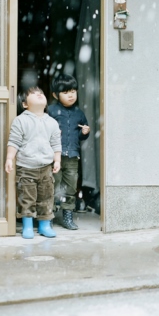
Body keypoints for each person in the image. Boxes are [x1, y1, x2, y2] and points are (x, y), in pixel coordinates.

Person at [5, 86, 61, 239]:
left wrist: (57, 160)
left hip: (46, 167)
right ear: (24, 104)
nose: (39, 94)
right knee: (27, 198)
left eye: (41, 93)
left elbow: (56, 143)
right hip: (26, 167)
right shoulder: (20, 120)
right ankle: (27, 226)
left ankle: (44, 225)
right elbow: (14, 141)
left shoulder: (52, 122)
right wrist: (10, 158)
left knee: (46, 197)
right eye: (33, 94)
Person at [48, 74, 90, 230]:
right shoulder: (51, 111)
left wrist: (84, 133)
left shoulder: (79, 113)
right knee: (51, 185)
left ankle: (67, 216)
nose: (71, 95)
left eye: (73, 91)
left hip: (72, 155)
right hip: (54, 156)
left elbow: (79, 136)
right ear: (55, 95)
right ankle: (48, 217)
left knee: (70, 187)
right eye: (66, 92)